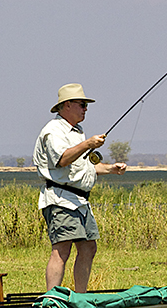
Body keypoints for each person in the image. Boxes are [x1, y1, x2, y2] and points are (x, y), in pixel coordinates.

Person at [34, 83, 126, 293]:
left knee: (88, 247)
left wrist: (111, 169)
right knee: (61, 249)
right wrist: (88, 145)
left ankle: (80, 297)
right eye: (82, 104)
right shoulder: (53, 131)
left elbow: (84, 167)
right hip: (60, 199)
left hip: (81, 201)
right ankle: (52, 299)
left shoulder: (78, 132)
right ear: (67, 105)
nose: (86, 109)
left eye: (86, 105)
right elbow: (63, 159)